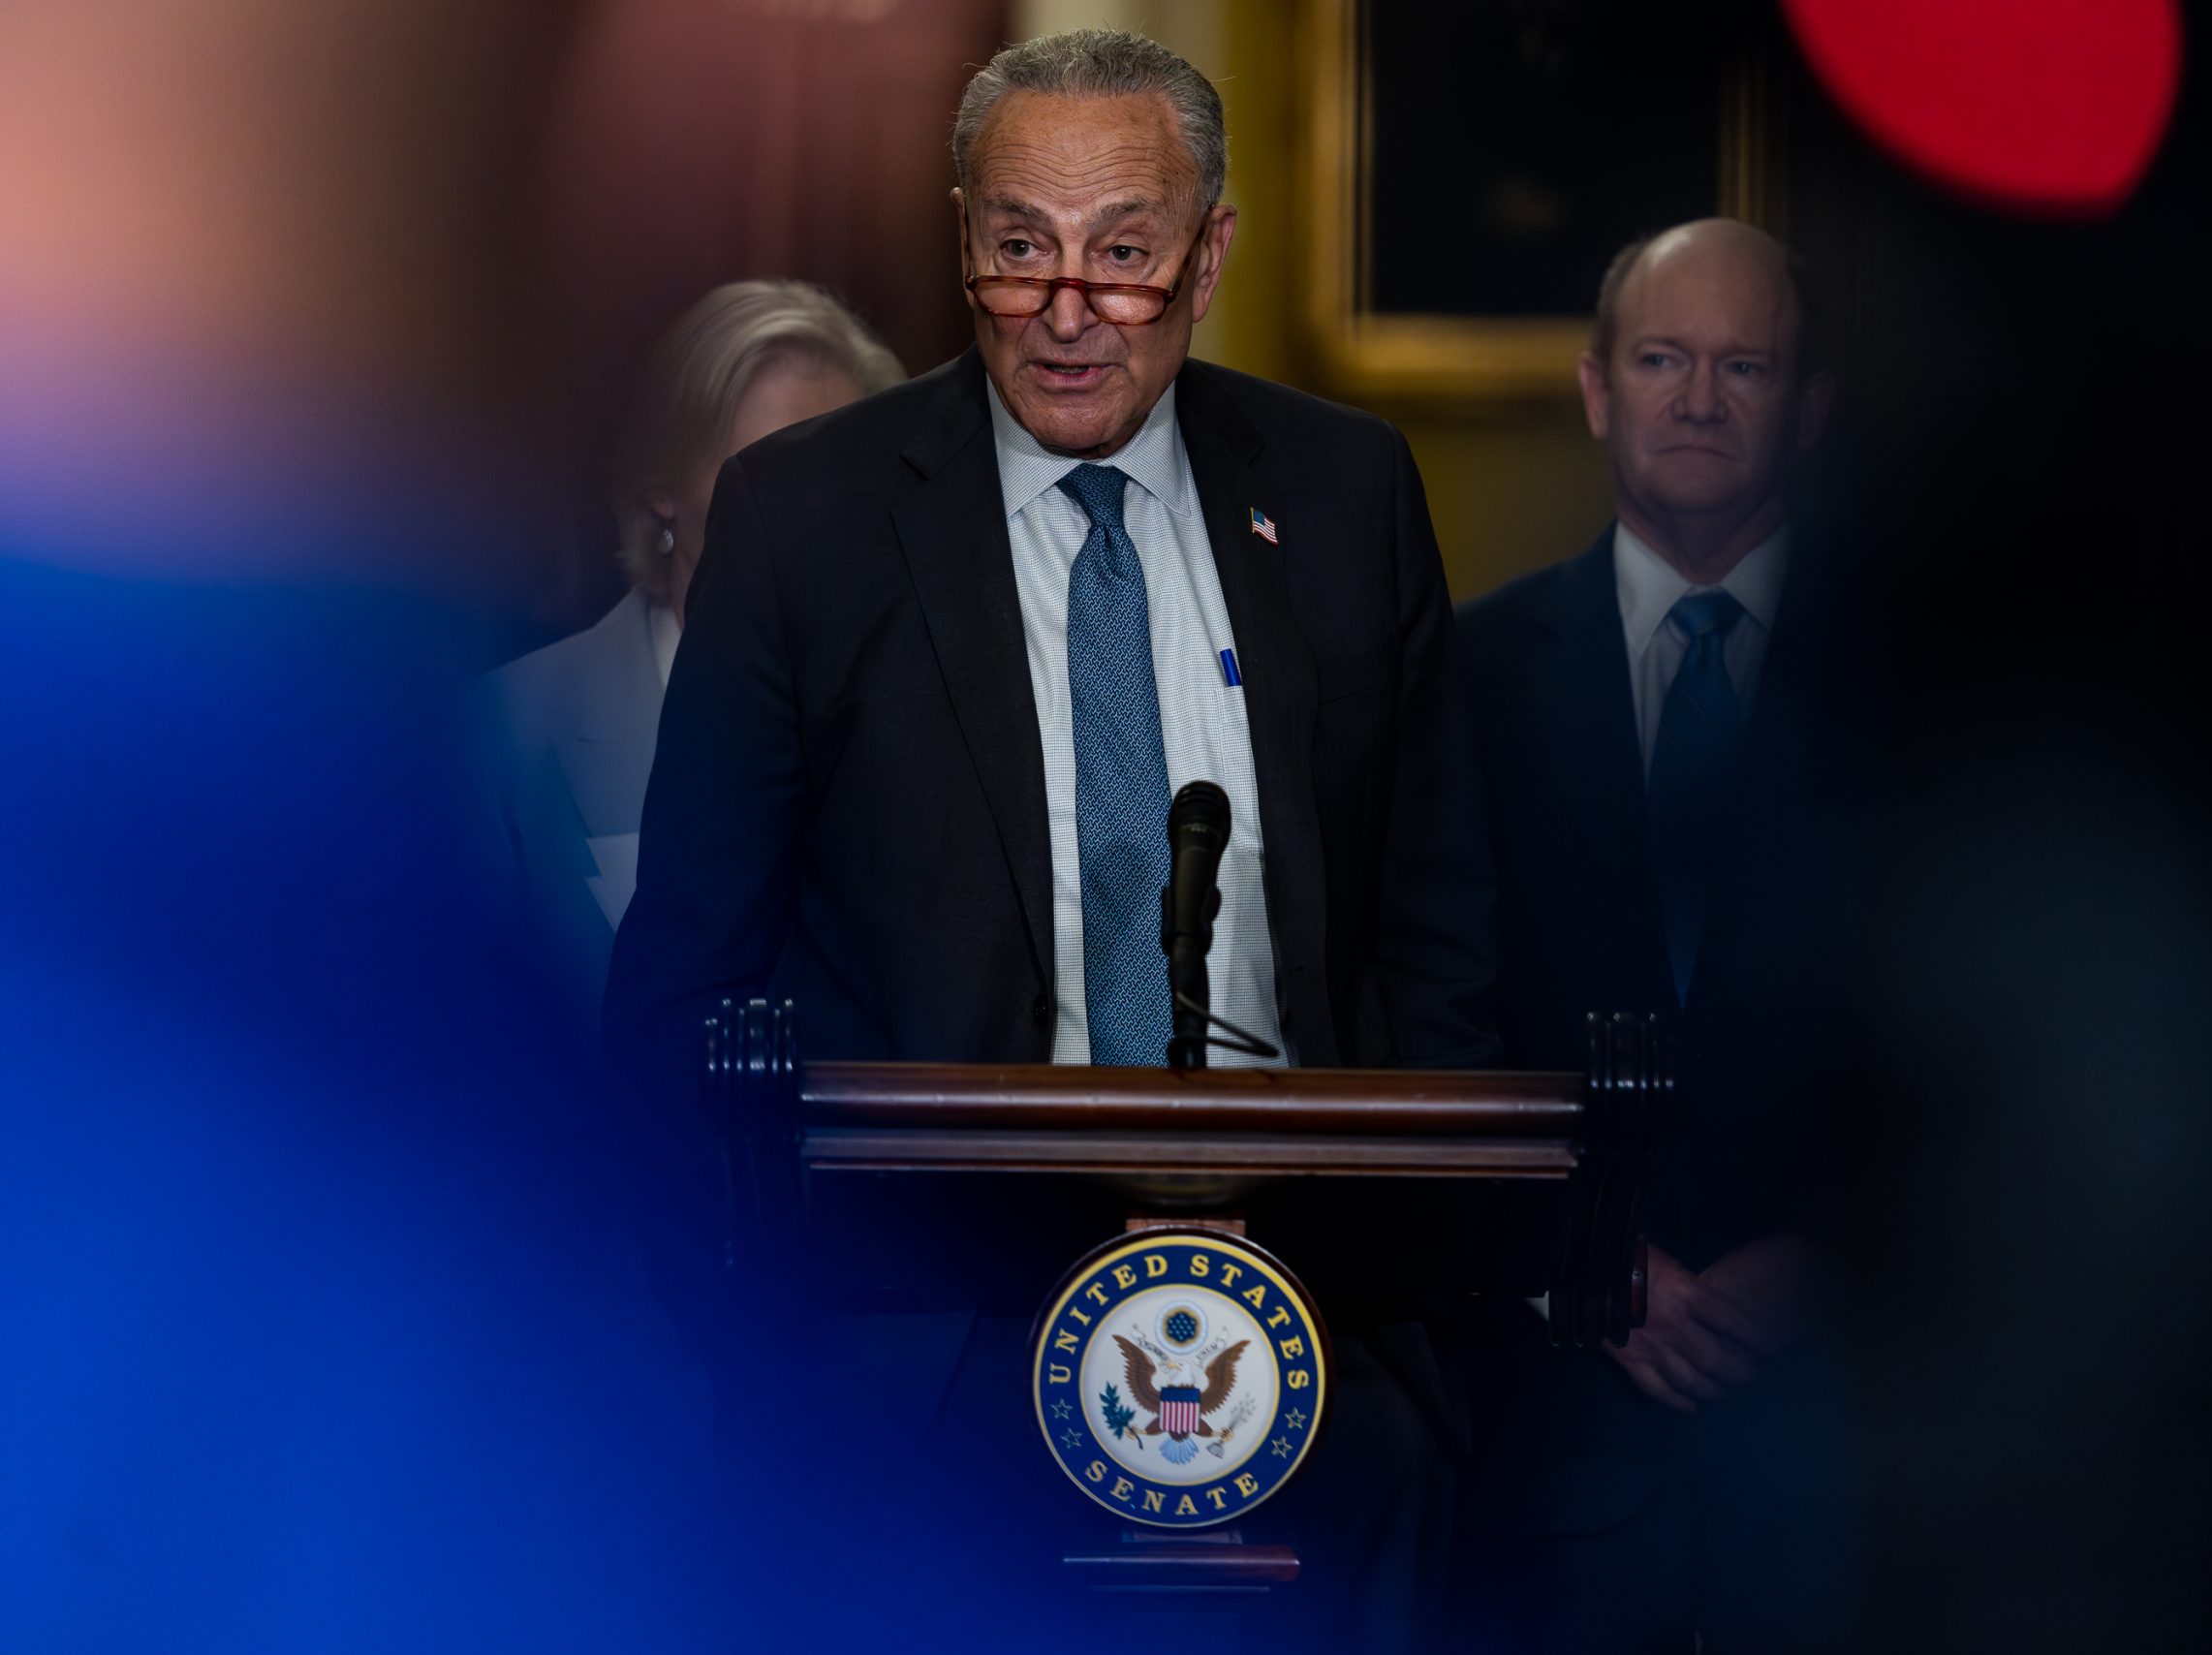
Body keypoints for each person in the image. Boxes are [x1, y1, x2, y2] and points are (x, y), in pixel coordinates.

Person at [602, 28, 1495, 1647]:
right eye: (1021, 248)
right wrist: (752, 1348)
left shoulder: (1345, 491)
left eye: (1124, 253)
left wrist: (1421, 1312)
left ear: (1209, 255)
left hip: (1310, 1337)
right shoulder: (808, 518)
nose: (1067, 309)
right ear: (964, 240)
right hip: (918, 1366)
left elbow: (1437, 944)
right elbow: (683, 985)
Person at [1449, 219, 1871, 1653]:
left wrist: (1836, 1259)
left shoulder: (1916, 687)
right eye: (1660, 360)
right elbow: (1411, 1016)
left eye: (1744, 366)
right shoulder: (1460, 676)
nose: (1697, 399)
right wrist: (1582, 1255)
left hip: (1851, 1460)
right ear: (1595, 390)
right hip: (1545, 1459)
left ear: (1809, 408)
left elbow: (1984, 1029)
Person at [473, 281, 902, 1045]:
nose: (817, 518)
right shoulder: (505, 737)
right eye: (772, 473)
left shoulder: (924, 727)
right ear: (662, 489)